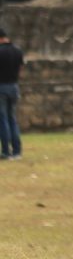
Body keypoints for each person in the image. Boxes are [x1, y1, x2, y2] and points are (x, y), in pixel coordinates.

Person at [0, 27, 23, 160]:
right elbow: (20, 69)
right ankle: (17, 151)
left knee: (2, 120)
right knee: (12, 119)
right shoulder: (17, 51)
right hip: (13, 86)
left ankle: (5, 151)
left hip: (1, 87)